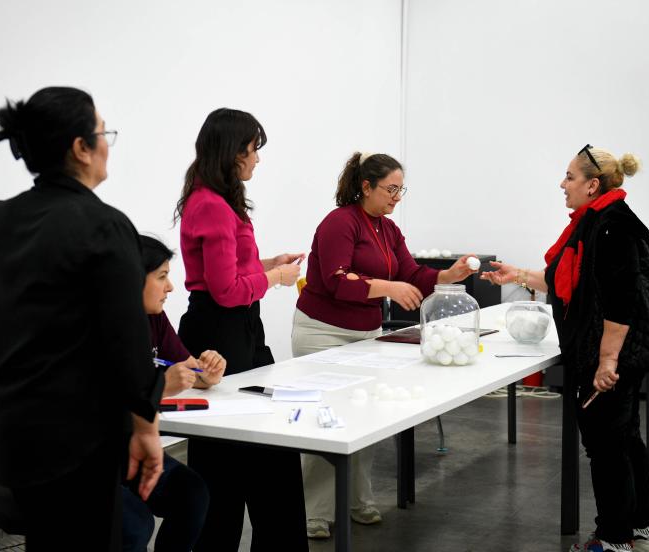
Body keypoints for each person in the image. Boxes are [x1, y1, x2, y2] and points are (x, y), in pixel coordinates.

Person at [0, 87, 164, 551]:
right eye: (103, 134)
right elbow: (127, 343)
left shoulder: (3, 217)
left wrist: (19, 291)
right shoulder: (104, 225)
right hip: (78, 438)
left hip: (13, 434)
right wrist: (146, 427)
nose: (107, 145)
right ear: (81, 148)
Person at [481, 145, 649, 552]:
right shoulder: (598, 220)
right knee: (623, 438)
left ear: (592, 184)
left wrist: (607, 361)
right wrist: (518, 275)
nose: (562, 184)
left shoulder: (612, 226)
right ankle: (642, 529)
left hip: (611, 353)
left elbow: (620, 301)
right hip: (611, 350)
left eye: (570, 176)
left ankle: (614, 539)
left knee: (607, 446)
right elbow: (570, 281)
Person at [292, 151, 478, 539]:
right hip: (323, 333)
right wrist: (388, 288)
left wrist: (449, 274)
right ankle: (314, 512)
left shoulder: (388, 229)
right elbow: (337, 280)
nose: (397, 197)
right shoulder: (339, 222)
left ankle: (358, 499)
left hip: (365, 334)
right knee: (325, 420)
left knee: (365, 416)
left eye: (400, 190)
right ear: (366, 186)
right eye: (391, 189)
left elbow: (412, 273)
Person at [174, 107, 308, 551]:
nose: (257, 159)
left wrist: (268, 264)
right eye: (253, 149)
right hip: (221, 332)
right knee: (231, 456)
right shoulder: (211, 204)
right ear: (233, 152)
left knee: (257, 450)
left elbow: (230, 270)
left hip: (237, 329)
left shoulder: (215, 198)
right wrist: (275, 278)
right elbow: (226, 289)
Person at [121, 235, 226, 552]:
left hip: (132, 445)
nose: (170, 288)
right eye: (162, 277)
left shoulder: (154, 317)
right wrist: (160, 387)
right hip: (90, 454)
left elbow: (188, 369)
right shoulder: (96, 327)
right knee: (135, 525)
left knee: (192, 493)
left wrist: (207, 374)